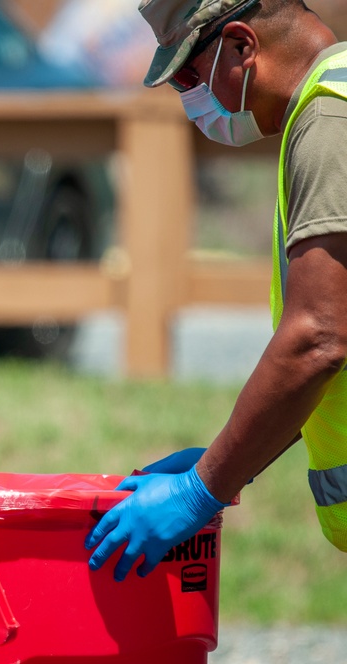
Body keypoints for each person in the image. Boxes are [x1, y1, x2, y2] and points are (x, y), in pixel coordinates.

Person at [87, 0, 347, 582]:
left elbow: (320, 339)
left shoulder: (332, 121)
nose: (188, 100)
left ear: (241, 46)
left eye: (186, 76)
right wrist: (224, 462)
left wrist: (201, 491)